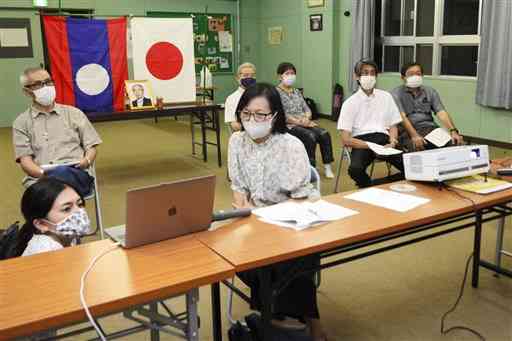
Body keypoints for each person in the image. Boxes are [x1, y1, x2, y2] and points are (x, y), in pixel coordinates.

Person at [228, 83, 327, 341]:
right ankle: (282, 314)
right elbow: (238, 187)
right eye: (246, 114)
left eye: (260, 114)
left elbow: (301, 198)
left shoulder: (290, 145)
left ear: (274, 116)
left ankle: (281, 316)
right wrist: (244, 208)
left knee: (294, 255)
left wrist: (270, 221)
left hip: (291, 216)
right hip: (253, 218)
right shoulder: (236, 142)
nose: (252, 120)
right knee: (237, 255)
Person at [13, 67, 102, 192]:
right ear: (27, 92)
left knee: (53, 189)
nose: (46, 87)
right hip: (41, 178)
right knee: (47, 191)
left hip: (76, 174)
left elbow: (91, 147)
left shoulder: (74, 113)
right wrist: (44, 175)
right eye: (39, 84)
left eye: (48, 82)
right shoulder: (21, 122)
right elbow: (25, 161)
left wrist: (86, 160)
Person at [338, 60, 404, 188]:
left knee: (410, 167)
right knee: (355, 170)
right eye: (365, 73)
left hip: (384, 139)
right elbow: (346, 139)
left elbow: (393, 125)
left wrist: (393, 141)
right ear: (357, 77)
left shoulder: (386, 97)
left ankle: (378, 185)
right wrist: (371, 146)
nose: (369, 76)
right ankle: (369, 186)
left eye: (373, 73)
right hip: (362, 142)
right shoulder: (349, 103)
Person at [275, 62, 335, 178]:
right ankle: (310, 167)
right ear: (280, 76)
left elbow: (307, 108)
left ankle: (327, 166)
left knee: (324, 134)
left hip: (305, 122)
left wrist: (307, 118)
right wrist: (299, 122)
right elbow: (281, 114)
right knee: (310, 137)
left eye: (292, 73)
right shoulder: (276, 92)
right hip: (289, 125)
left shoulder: (296, 92)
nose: (290, 76)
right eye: (287, 73)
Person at [391, 62, 464, 151]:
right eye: (411, 74)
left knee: (454, 143)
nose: (415, 77)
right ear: (403, 78)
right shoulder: (395, 94)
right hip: (408, 132)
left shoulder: (430, 91)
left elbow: (441, 112)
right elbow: (402, 117)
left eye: (418, 74)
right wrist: (414, 136)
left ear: (422, 76)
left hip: (430, 129)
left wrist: (453, 131)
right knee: (417, 148)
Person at [13, 177, 91, 257]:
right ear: (41, 224)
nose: (79, 212)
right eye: (67, 209)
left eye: (80, 204)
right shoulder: (45, 250)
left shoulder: (70, 237)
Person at [224, 62, 257, 132]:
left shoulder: (261, 95)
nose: (249, 78)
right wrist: (254, 129)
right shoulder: (232, 99)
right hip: (242, 137)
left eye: (252, 75)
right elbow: (234, 125)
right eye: (245, 75)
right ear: (237, 78)